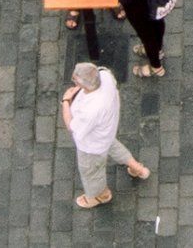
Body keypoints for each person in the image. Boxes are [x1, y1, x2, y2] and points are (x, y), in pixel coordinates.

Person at [62, 63, 149, 208]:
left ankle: (100, 196)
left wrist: (66, 101)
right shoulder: (105, 76)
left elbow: (72, 127)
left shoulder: (91, 110)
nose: (73, 82)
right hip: (106, 131)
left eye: (75, 80)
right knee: (111, 145)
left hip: (91, 146)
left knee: (91, 173)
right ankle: (137, 168)